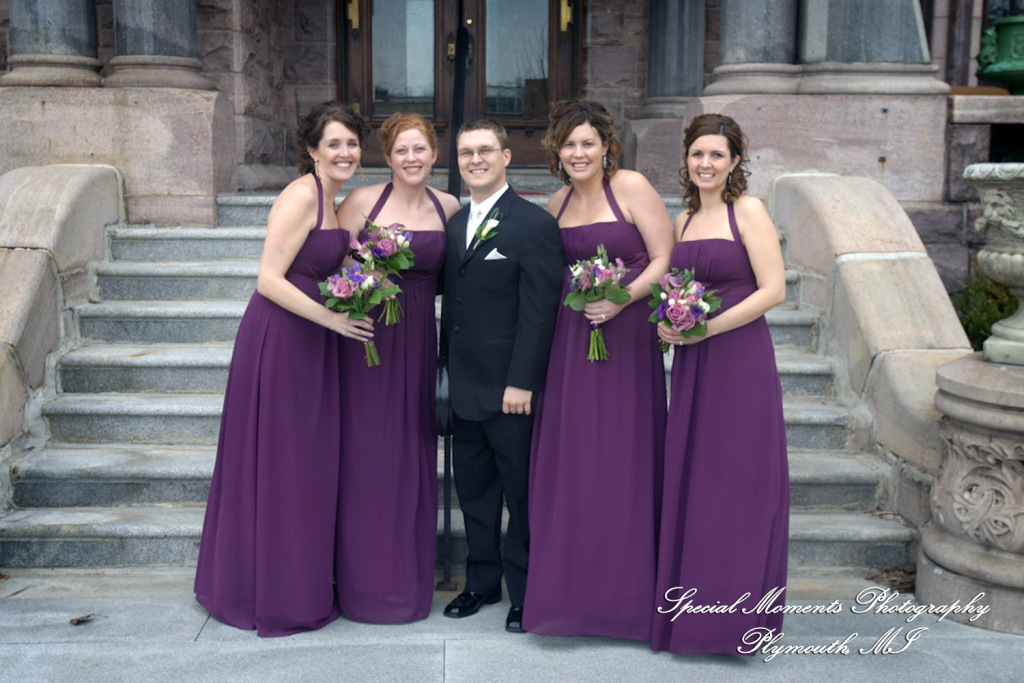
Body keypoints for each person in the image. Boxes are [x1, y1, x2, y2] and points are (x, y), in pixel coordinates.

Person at [194, 102, 373, 637]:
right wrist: (333, 320)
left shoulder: (331, 198)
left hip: (311, 339)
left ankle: (296, 581)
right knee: (284, 461)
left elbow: (317, 263)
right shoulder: (301, 194)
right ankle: (266, 591)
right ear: (312, 150)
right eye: (334, 143)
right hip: (282, 339)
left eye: (352, 143)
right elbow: (269, 279)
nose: (345, 152)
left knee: (304, 462)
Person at [523, 99, 672, 639]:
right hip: (571, 340)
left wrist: (621, 299)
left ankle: (626, 599)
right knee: (576, 459)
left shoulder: (630, 187)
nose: (578, 153)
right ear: (557, 151)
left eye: (588, 142)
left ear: (606, 146)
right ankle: (571, 594)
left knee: (622, 456)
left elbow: (665, 259)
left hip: (626, 338)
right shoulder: (556, 202)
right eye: (569, 144)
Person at [651, 113, 790, 655]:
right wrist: (670, 322)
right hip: (693, 365)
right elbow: (676, 286)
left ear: (734, 162)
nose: (705, 164)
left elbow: (773, 289)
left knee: (736, 484)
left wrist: (705, 328)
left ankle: (734, 622)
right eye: (697, 154)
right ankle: (692, 617)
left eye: (716, 155)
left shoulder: (747, 211)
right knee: (697, 481)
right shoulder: (683, 220)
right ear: (686, 159)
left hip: (740, 362)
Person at [334, 113, 460, 623]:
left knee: (411, 452)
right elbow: (331, 262)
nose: (412, 158)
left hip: (419, 341)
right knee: (367, 454)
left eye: (420, 149)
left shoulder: (448, 207)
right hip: (366, 338)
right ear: (387, 157)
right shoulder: (361, 202)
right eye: (401, 150)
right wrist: (363, 277)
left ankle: (406, 581)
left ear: (434, 154)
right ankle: (361, 582)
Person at [440, 119, 563, 633]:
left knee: (521, 495)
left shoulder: (534, 224)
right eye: (466, 152)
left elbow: (539, 311)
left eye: (485, 150)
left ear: (506, 156)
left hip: (511, 390)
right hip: (464, 385)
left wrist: (522, 381)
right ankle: (482, 583)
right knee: (474, 492)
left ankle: (525, 592)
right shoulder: (454, 224)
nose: (476, 160)